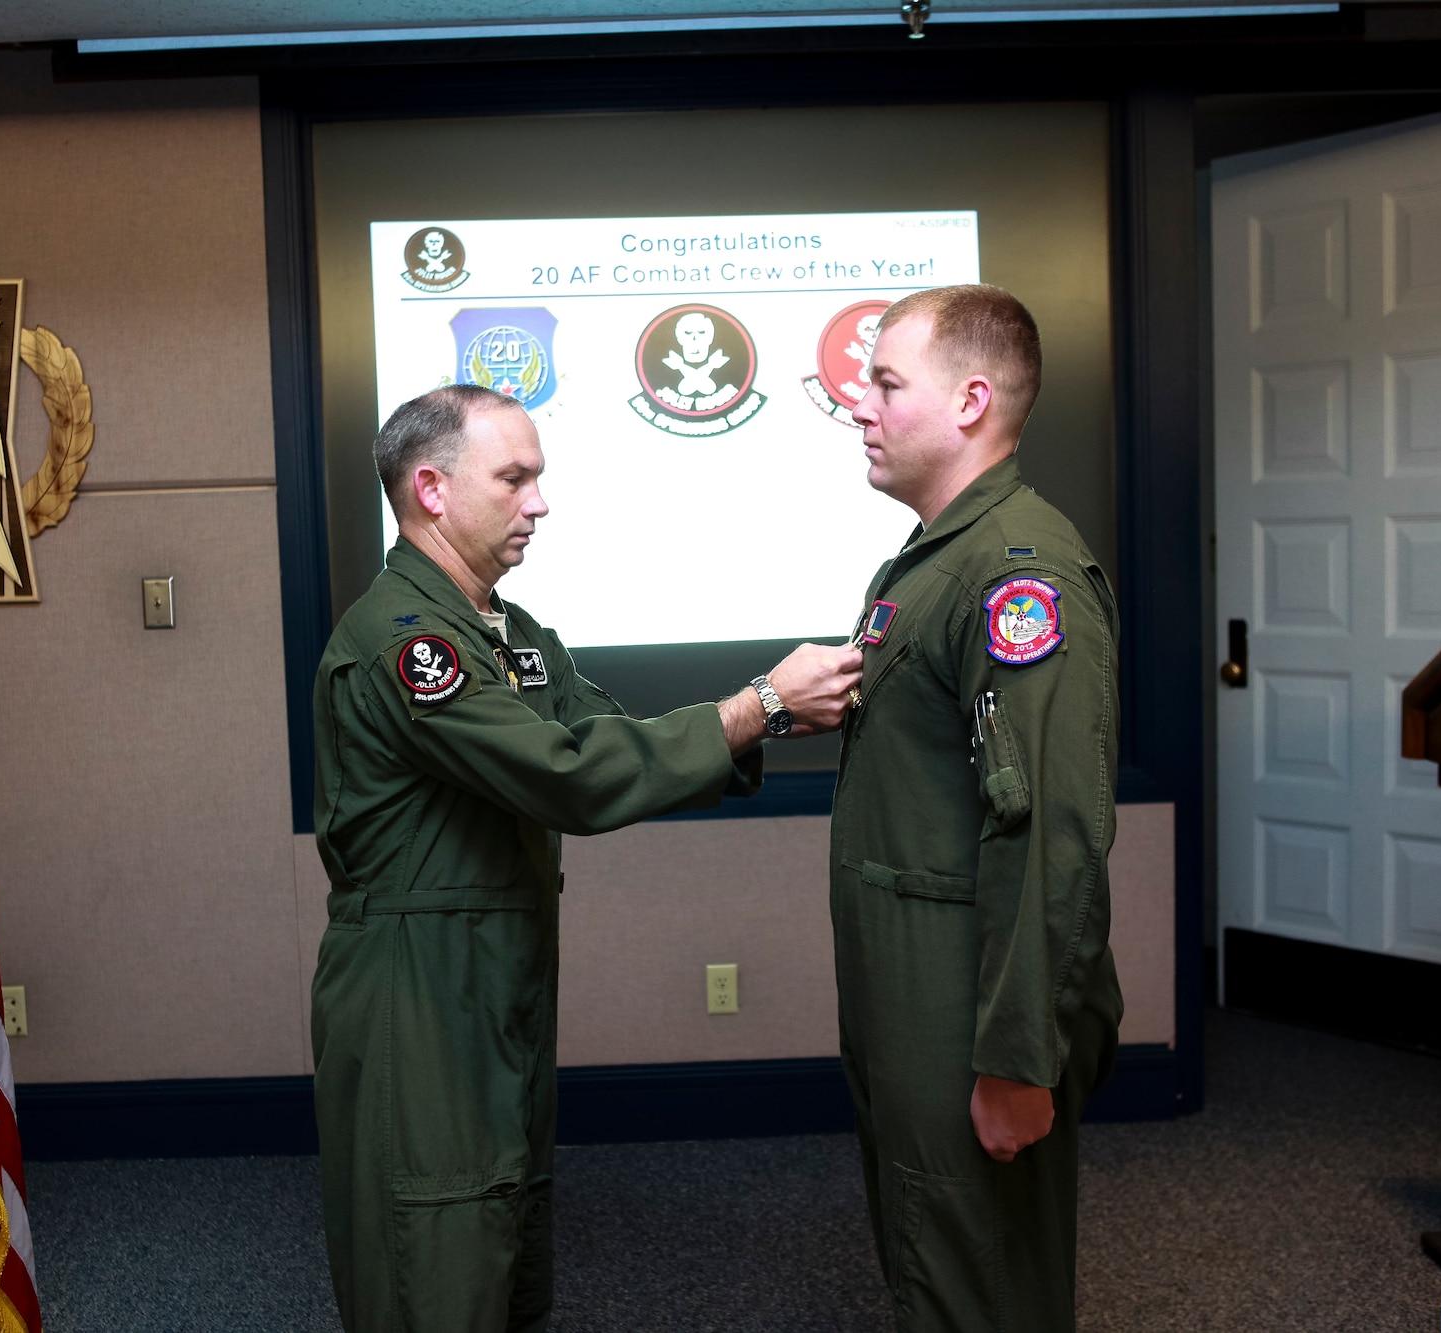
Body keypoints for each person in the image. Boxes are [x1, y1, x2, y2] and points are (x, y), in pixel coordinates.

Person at [310, 383, 862, 1333]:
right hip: (419, 987)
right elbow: (565, 774)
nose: (540, 502)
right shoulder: (407, 645)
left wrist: (765, 720)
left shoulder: (510, 634)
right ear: (432, 489)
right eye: (515, 478)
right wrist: (760, 704)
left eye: (539, 478)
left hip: (496, 977)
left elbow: (604, 734)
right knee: (435, 1248)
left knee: (502, 1234)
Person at [833, 285, 1123, 1332]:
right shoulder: (928, 561)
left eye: (882, 383)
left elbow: (1048, 827)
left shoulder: (1016, 570)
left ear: (967, 401)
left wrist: (1015, 1055)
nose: (856, 404)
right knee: (934, 1256)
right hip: (914, 993)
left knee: (979, 1279)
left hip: (967, 1008)